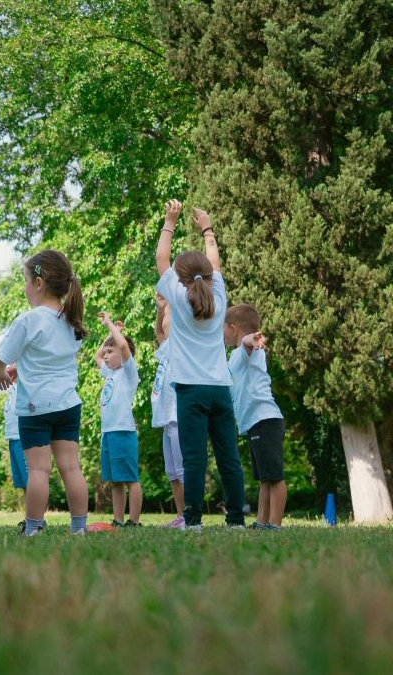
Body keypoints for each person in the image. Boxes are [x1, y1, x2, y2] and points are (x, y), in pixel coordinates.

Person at [155, 200, 246, 530]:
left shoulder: (178, 301)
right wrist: (207, 228)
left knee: (193, 459)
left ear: (179, 279)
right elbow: (215, 263)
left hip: (190, 391)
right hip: (221, 389)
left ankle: (192, 522)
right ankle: (235, 521)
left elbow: (161, 259)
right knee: (229, 458)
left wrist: (170, 221)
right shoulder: (219, 298)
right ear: (208, 276)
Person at [0, 250, 88, 536]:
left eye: (24, 280)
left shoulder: (28, 321)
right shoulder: (71, 321)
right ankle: (79, 528)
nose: (23, 287)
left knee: (38, 471)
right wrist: (21, 367)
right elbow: (51, 357)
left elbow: (0, 356)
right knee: (71, 468)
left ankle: (33, 528)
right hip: (68, 405)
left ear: (37, 283)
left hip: (36, 407)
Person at [224, 304, 286, 530]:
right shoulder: (235, 356)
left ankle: (275, 523)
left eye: (224, 330)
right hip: (254, 423)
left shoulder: (247, 349)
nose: (222, 335)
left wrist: (251, 339)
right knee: (265, 477)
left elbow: (247, 342)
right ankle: (262, 521)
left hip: (265, 419)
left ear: (233, 328)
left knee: (275, 476)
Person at [95, 312, 141, 527]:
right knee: (115, 480)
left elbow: (122, 347)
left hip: (123, 431)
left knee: (130, 478)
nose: (105, 355)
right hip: (108, 433)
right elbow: (97, 356)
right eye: (106, 351)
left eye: (109, 352)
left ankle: (133, 520)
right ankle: (118, 520)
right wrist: (109, 337)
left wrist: (111, 325)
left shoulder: (127, 372)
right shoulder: (110, 374)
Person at [151, 295, 186, 527]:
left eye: (167, 319)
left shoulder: (181, 345)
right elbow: (158, 332)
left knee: (182, 469)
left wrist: (171, 304)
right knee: (172, 472)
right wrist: (160, 309)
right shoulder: (165, 348)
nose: (164, 322)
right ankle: (182, 515)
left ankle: (191, 516)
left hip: (177, 414)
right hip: (166, 418)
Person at [2, 365, 30, 528]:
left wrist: (19, 367)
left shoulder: (26, 385)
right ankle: (30, 517)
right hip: (13, 438)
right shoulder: (12, 388)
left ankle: (37, 518)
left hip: (23, 438)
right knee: (24, 484)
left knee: (31, 480)